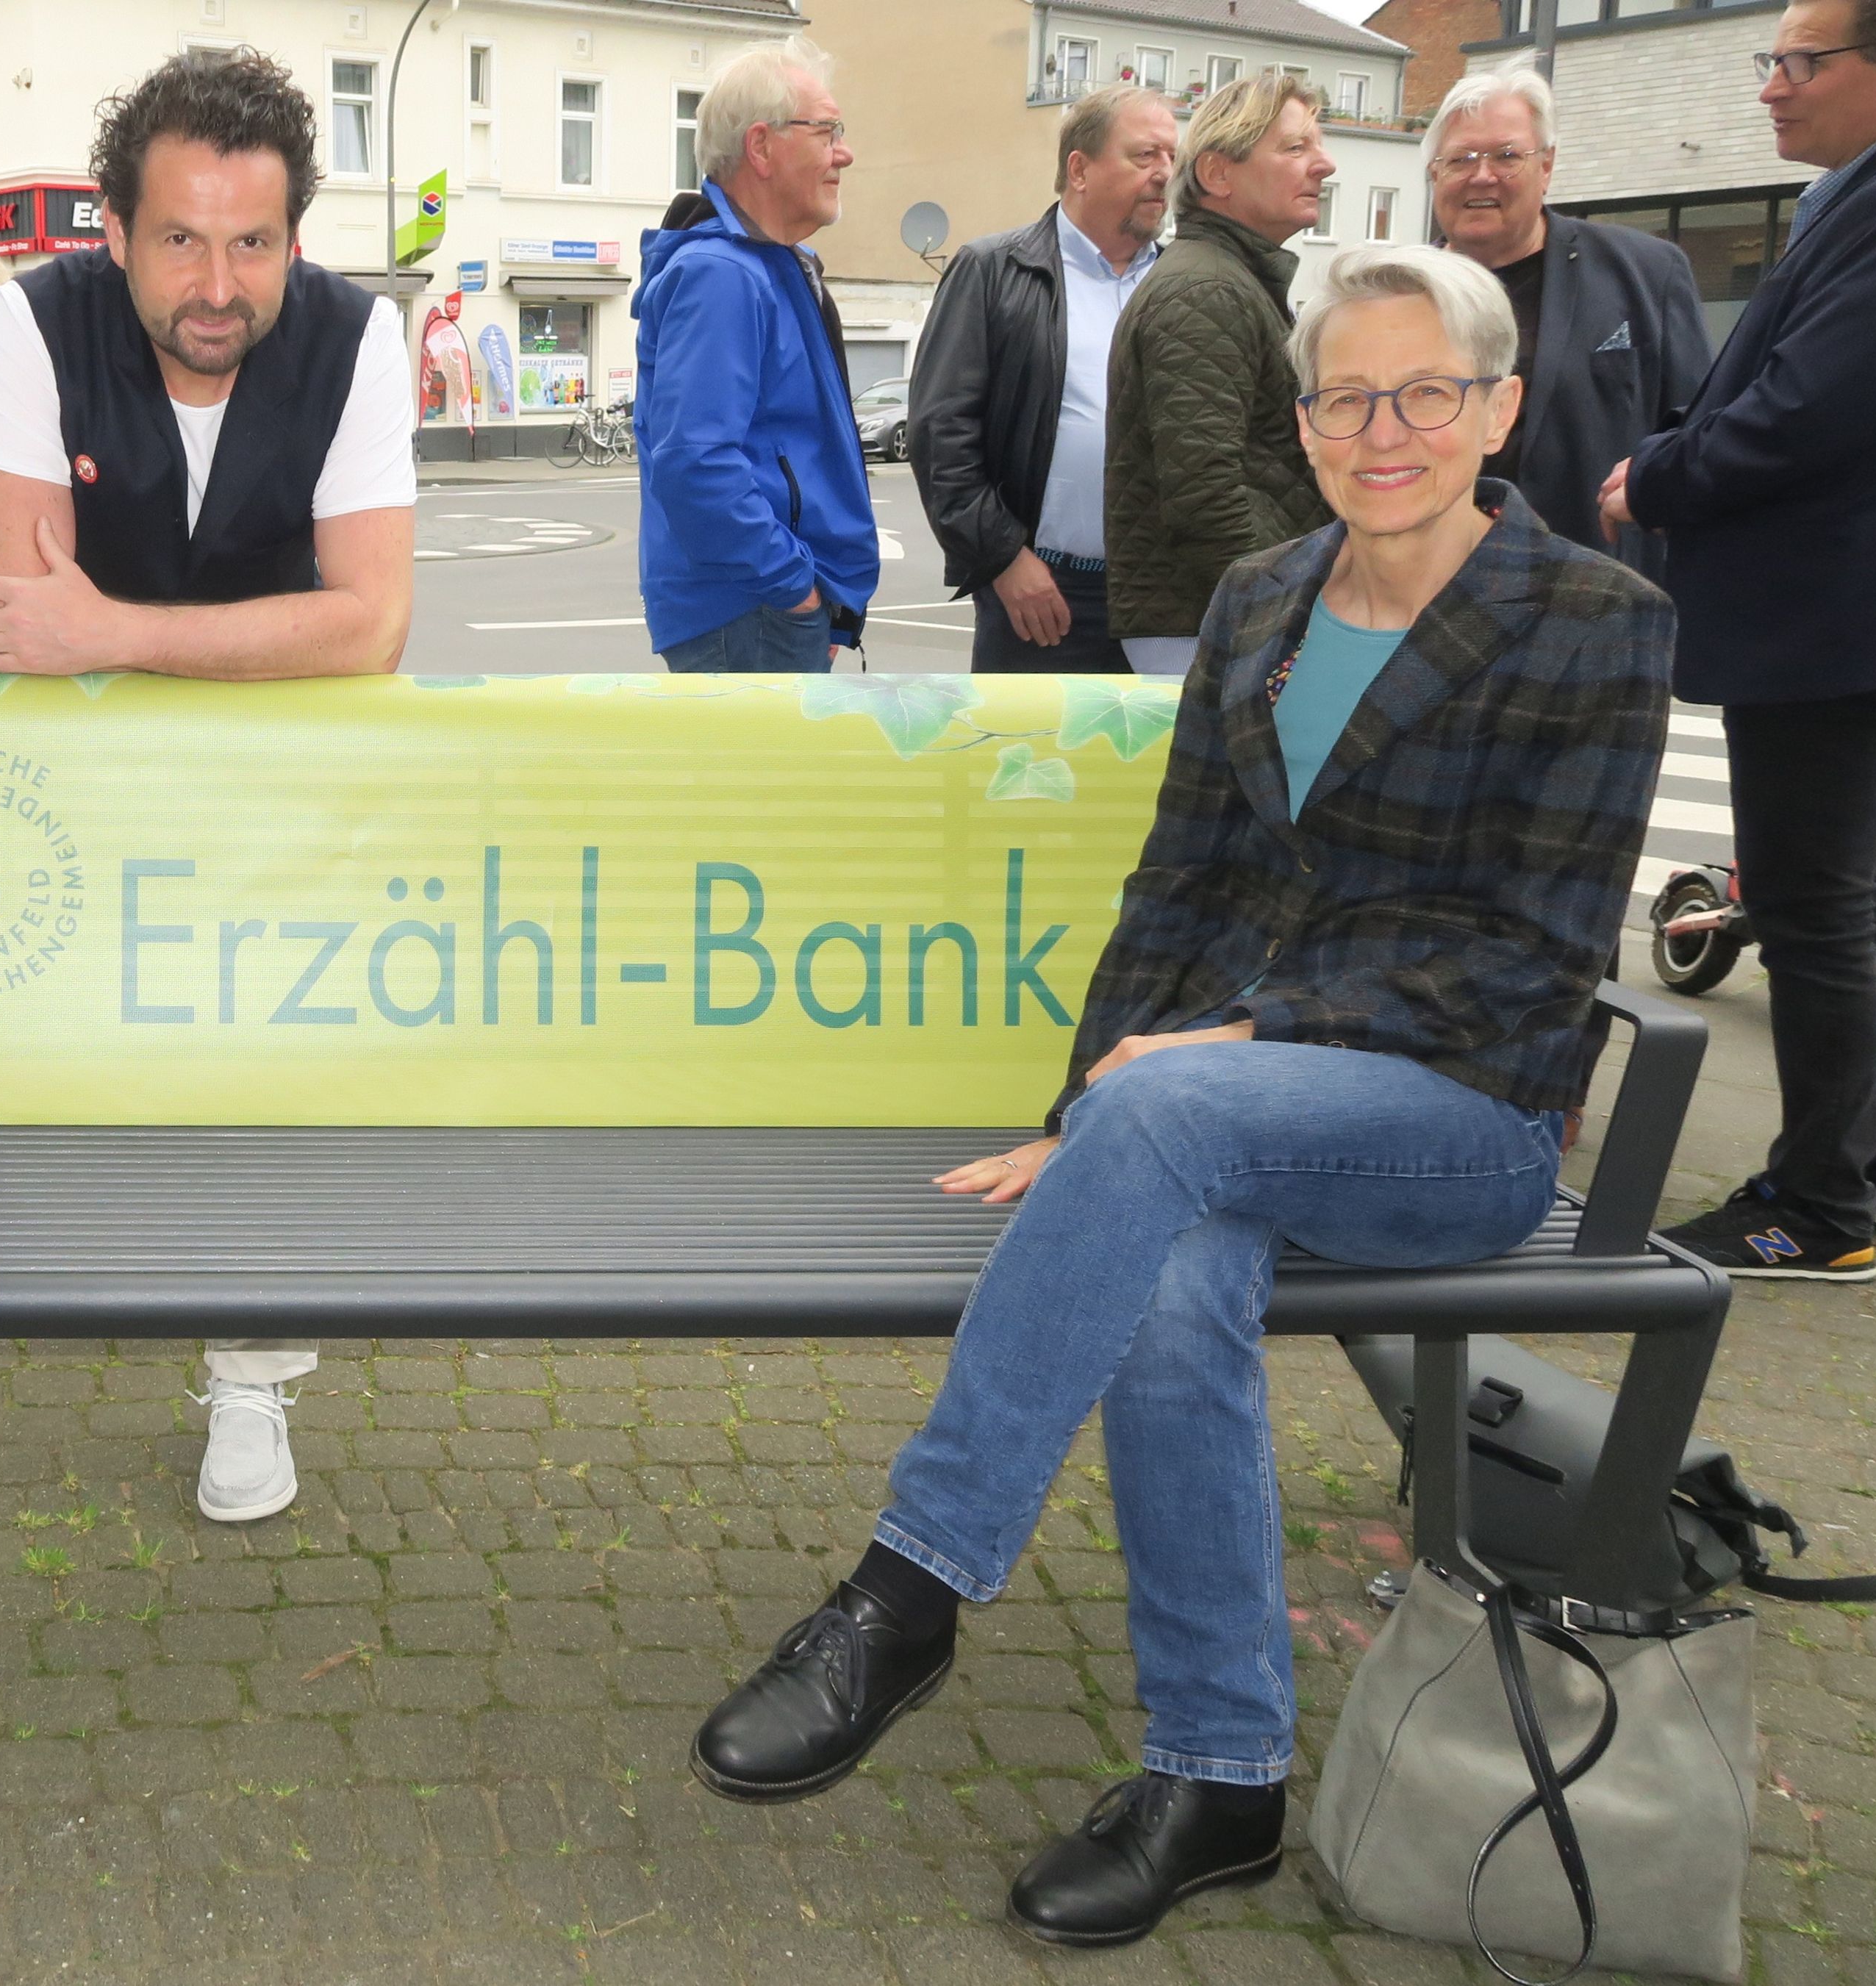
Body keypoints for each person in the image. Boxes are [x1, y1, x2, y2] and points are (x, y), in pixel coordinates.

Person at [692, 243, 1671, 1951]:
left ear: (1495, 409)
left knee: (1165, 1125)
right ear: (1299, 426)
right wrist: (1086, 1118)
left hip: (1462, 1118)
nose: (1380, 432)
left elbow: (1532, 955)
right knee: (1170, 1269)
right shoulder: (1261, 600)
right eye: (1343, 398)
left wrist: (1222, 1054)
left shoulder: (1594, 620)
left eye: (1421, 394)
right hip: (1226, 1117)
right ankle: (1219, 1777)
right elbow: (1181, 884)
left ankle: (904, 1595)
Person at [0, 48, 416, 1521]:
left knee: (268, 1083)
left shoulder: (361, 337)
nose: (219, 285)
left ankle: (250, 1368)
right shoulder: (31, 322)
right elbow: (17, 625)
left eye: (254, 243)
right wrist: (233, 641)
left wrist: (115, 632)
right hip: (78, 793)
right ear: (113, 229)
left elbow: (371, 625)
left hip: (284, 796)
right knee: (85, 1072)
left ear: (295, 236)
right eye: (179, 238)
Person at [1602, 0, 1876, 1278]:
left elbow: (1812, 409)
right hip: (1861, 605)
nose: (1773, 84)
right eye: (1770, 58)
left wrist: (1658, 475)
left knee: (1812, 907)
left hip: (1837, 607)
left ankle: (1816, 1209)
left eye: (1802, 61)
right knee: (1860, 899)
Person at [909, 85, 1178, 672]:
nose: (1164, 173)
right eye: (1144, 155)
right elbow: (941, 433)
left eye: (1171, 156)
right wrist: (1004, 559)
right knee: (1026, 736)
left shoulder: (1182, 282)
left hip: (1165, 603)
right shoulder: (995, 271)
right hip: (1041, 598)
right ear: (1079, 170)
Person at [632, 36, 874, 673]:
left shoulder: (767, 266)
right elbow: (696, 464)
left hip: (757, 609)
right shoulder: (724, 275)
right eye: (826, 131)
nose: (844, 153)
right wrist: (796, 589)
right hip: (748, 611)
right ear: (761, 147)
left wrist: (814, 596)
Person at [1424, 66, 1709, 568]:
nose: (1481, 175)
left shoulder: (1645, 275)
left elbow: (1697, 429)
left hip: (1595, 578)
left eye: (1506, 156)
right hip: (1434, 579)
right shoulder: (1399, 299)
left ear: (1547, 166)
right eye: (1461, 159)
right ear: (1434, 175)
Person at [1106, 72, 1337, 676]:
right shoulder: (1206, 290)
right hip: (1212, 625)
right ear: (1217, 173)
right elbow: (1205, 496)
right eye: (1296, 147)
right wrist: (1280, 614)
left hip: (1217, 616)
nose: (1324, 165)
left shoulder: (1231, 279)